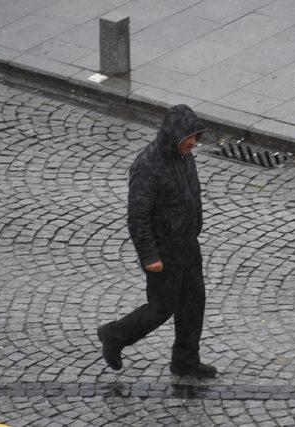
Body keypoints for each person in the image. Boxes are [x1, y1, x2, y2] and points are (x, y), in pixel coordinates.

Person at [97, 104, 217, 378]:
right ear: (174, 135)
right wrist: (150, 256)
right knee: (160, 308)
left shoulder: (184, 156)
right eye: (189, 138)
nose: (193, 143)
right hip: (164, 250)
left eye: (196, 137)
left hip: (187, 244)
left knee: (193, 303)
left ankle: (186, 361)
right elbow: (137, 217)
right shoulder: (147, 166)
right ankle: (114, 335)